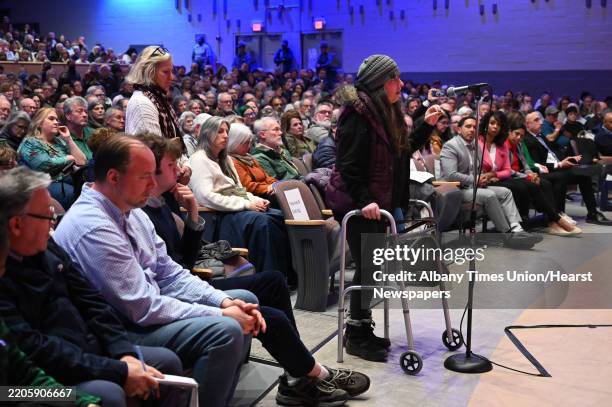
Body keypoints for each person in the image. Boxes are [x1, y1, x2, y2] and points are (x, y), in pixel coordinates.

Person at [53, 135, 370, 407]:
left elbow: (170, 273)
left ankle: (299, 374)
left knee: (242, 298)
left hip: (145, 307)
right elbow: (141, 307)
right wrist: (222, 315)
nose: (153, 184)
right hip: (123, 327)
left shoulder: (127, 209)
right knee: (226, 330)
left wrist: (222, 303)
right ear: (113, 177)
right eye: (144, 176)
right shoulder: (93, 225)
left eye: (154, 174)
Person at [0, 167, 183, 407]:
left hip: (68, 363)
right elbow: (17, 383)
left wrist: (122, 354)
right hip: (18, 390)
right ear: (15, 225)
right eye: (48, 216)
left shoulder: (47, 248)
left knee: (163, 366)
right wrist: (87, 396)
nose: (53, 223)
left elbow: (92, 301)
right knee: (107, 394)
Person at [325, 55, 444, 362]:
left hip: (380, 202)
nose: (401, 84)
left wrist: (425, 125)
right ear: (380, 82)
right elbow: (348, 165)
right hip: (358, 203)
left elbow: (401, 151)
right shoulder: (357, 113)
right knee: (368, 267)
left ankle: (362, 328)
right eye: (395, 78)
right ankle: (356, 334)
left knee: (374, 268)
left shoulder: (385, 111)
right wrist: (365, 200)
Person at [188, 116, 293, 276]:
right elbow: (206, 197)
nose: (225, 136)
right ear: (207, 134)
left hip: (235, 208)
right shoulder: (199, 159)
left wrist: (256, 200)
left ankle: (285, 276)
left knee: (279, 216)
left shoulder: (226, 159)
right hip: (219, 215)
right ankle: (267, 275)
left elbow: (239, 190)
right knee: (263, 222)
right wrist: (246, 205)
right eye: (220, 132)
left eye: (227, 132)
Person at [440, 115, 542, 245]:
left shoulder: (475, 146)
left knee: (505, 192)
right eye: (468, 126)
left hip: (473, 186)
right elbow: (451, 175)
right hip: (456, 189)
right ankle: (508, 236)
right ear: (459, 129)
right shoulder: (451, 146)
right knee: (490, 195)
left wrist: (484, 177)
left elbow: (477, 169)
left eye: (475, 127)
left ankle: (517, 229)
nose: (472, 130)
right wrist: (476, 179)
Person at [479, 111, 581, 236]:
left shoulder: (504, 144)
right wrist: (526, 175)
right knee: (527, 185)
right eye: (492, 123)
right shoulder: (485, 143)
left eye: (498, 125)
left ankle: (553, 219)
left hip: (505, 176)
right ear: (509, 131)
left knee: (542, 183)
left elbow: (523, 165)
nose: (495, 127)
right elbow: (507, 170)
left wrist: (529, 174)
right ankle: (552, 219)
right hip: (497, 178)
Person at [523, 111, 611, 225]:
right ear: (527, 124)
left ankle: (592, 213)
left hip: (558, 166)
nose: (540, 122)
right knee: (562, 176)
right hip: (545, 171)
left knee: (583, 175)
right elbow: (537, 163)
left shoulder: (541, 136)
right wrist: (559, 164)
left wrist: (568, 159)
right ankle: (559, 214)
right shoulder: (528, 139)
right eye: (536, 120)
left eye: (540, 119)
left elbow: (554, 152)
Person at [124, 46, 191, 184]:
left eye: (171, 71)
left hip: (168, 179)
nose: (171, 77)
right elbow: (155, 153)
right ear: (149, 73)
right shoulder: (142, 103)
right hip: (153, 187)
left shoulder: (159, 98)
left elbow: (176, 141)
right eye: (166, 72)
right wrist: (177, 171)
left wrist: (186, 166)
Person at [17, 108, 87, 208]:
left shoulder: (59, 142)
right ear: (39, 123)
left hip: (67, 180)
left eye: (57, 120)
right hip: (42, 184)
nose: (56, 122)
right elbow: (44, 164)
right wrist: (68, 158)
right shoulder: (30, 142)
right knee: (77, 196)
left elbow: (82, 162)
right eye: (51, 119)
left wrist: (68, 139)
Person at [228, 122, 277, 201]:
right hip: (259, 197)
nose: (249, 146)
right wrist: (268, 188)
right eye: (245, 143)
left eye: (249, 142)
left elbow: (266, 177)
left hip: (268, 192)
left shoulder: (249, 157)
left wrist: (276, 184)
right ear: (234, 143)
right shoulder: (233, 161)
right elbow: (248, 187)